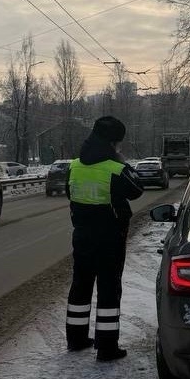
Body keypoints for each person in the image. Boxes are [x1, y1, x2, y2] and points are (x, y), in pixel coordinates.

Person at [65, 116, 144, 361]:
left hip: (82, 236)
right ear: (113, 143)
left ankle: (76, 339)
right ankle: (107, 347)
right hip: (110, 238)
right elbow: (137, 190)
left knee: (80, 285)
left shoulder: (75, 166)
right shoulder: (115, 169)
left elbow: (71, 193)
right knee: (109, 289)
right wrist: (122, 163)